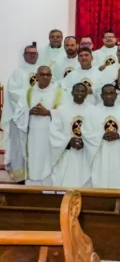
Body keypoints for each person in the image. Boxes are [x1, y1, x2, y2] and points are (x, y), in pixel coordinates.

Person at [14, 66, 65, 185]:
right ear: (36, 76)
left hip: (51, 136)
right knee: (33, 161)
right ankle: (32, 190)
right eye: (42, 74)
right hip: (33, 136)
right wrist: (29, 112)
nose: (45, 77)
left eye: (48, 75)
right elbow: (18, 114)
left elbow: (66, 114)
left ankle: (50, 191)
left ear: (51, 77)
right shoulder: (27, 93)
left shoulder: (59, 93)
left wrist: (48, 112)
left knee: (48, 163)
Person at [2, 45, 39, 182]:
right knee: (19, 147)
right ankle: (20, 178)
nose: (32, 56)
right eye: (29, 53)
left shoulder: (43, 71)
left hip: (38, 116)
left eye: (34, 53)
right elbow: (12, 92)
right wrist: (31, 102)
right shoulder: (18, 72)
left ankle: (35, 175)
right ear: (24, 55)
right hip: (20, 117)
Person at [49, 83, 98, 187]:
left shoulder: (93, 110)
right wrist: (68, 141)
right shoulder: (61, 110)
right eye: (77, 91)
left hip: (86, 153)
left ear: (86, 94)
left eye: (83, 91)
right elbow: (54, 131)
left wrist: (86, 141)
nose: (80, 93)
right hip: (68, 152)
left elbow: (97, 131)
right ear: (72, 92)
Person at [89, 84, 120, 189]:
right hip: (101, 152)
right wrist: (101, 135)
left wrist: (119, 135)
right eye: (106, 94)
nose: (109, 96)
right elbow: (86, 133)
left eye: (111, 93)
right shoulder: (93, 112)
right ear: (101, 96)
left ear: (116, 95)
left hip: (119, 152)